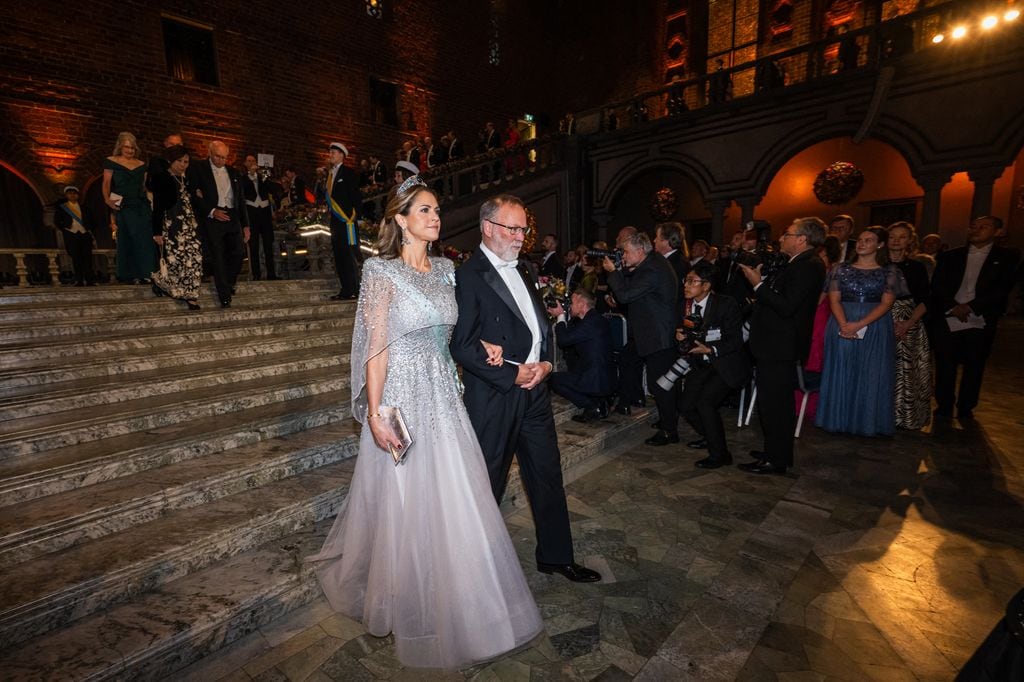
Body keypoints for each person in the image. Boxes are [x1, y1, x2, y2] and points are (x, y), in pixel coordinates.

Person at [309, 178, 543, 669]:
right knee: (405, 499)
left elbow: (457, 335)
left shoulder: (445, 269)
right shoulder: (380, 271)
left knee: (456, 492)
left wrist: (485, 348)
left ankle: (461, 594)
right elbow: (376, 349)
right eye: (424, 211)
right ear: (400, 219)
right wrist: (374, 413)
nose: (435, 218)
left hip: (443, 395)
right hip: (401, 397)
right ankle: (405, 598)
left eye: (437, 210)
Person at [450, 193, 601, 584]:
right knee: (487, 483)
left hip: (535, 392)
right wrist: (511, 375)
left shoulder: (527, 269)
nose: (520, 236)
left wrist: (548, 364)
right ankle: (472, 571)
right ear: (488, 227)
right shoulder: (469, 275)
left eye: (523, 229)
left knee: (547, 475)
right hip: (496, 396)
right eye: (512, 228)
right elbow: (462, 344)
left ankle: (556, 556)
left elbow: (543, 327)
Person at [737, 217, 826, 475]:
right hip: (774, 346)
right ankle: (774, 451)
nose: (782, 238)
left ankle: (776, 460)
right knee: (773, 403)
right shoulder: (796, 263)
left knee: (776, 405)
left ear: (802, 239)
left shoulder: (808, 265)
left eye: (787, 233)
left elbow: (787, 306)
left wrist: (758, 284)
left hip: (780, 347)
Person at [928, 216, 1021, 420]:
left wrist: (971, 307)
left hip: (980, 317)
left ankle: (966, 406)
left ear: (997, 232)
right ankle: (944, 404)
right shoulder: (950, 256)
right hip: (948, 315)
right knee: (945, 363)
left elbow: (1002, 288)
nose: (977, 230)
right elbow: (938, 285)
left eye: (984, 227)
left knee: (975, 364)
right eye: (973, 226)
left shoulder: (1007, 258)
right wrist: (953, 306)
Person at [816, 227, 902, 436]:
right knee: (841, 369)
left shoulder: (889, 271)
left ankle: (867, 423)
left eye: (868, 240)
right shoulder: (840, 269)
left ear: (880, 244)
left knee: (871, 371)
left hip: (874, 324)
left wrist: (859, 324)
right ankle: (837, 419)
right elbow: (833, 298)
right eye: (860, 240)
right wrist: (845, 323)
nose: (861, 243)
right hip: (841, 319)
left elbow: (886, 304)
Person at [603, 231, 680, 445]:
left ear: (639, 251)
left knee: (661, 384)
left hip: (658, 336)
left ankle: (669, 430)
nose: (623, 256)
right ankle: (664, 419)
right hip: (651, 334)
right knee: (632, 361)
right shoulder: (650, 263)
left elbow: (626, 295)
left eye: (626, 252)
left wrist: (612, 272)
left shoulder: (653, 269)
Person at [676, 261, 750, 468]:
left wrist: (710, 349)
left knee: (705, 403)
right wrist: (680, 337)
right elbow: (686, 332)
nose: (686, 285)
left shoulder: (725, 304)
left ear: (706, 286)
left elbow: (735, 340)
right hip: (702, 364)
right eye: (686, 280)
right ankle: (710, 435)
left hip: (726, 364)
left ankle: (720, 454)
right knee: (685, 405)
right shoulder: (685, 304)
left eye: (692, 281)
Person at [188, 141, 250, 308]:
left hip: (232, 215)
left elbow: (241, 200)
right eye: (218, 156)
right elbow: (194, 195)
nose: (221, 160)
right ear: (210, 153)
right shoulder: (198, 168)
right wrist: (212, 210)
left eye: (224, 157)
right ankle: (224, 295)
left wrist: (245, 225)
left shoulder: (233, 172)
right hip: (213, 216)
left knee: (238, 253)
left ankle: (229, 283)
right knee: (218, 256)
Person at [887, 221, 932, 429]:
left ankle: (902, 417)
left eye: (902, 236)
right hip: (878, 319)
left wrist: (909, 323)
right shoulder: (877, 264)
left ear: (910, 241)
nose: (896, 240)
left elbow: (925, 299)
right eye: (892, 236)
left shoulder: (916, 267)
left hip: (908, 319)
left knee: (905, 370)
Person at [547, 289, 615, 422]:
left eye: (571, 302)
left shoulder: (590, 323)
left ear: (582, 304)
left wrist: (560, 315)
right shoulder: (595, 319)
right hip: (604, 376)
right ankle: (600, 401)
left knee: (551, 379)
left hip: (597, 379)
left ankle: (593, 406)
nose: (569, 305)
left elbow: (563, 340)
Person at [151, 145, 202, 311]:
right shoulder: (163, 178)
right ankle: (167, 285)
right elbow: (158, 206)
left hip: (189, 224)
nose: (183, 165)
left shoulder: (186, 179)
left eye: (186, 162)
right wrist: (157, 232)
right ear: (171, 161)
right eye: (179, 161)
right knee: (177, 259)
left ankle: (192, 294)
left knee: (194, 257)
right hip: (172, 223)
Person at [102, 132, 154, 284]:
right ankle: (129, 274)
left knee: (144, 238)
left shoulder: (141, 164)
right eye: (126, 147)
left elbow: (144, 186)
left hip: (140, 204)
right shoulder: (111, 161)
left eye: (132, 148)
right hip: (123, 203)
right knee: (127, 237)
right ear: (120, 146)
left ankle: (146, 272)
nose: (130, 150)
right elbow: (106, 184)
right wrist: (107, 200)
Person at [322, 142, 362, 300]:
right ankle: (345, 289)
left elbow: (356, 196)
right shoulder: (330, 175)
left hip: (347, 221)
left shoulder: (348, 172)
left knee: (349, 255)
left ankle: (355, 289)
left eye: (333, 152)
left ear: (341, 155)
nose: (330, 155)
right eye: (330, 152)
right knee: (339, 255)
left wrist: (356, 217)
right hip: (336, 221)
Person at [242, 154, 278, 281]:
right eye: (249, 161)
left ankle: (271, 274)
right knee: (254, 245)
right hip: (252, 214)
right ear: (245, 164)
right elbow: (242, 192)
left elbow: (274, 190)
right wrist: (251, 176)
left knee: (268, 244)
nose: (252, 163)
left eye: (253, 161)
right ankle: (256, 274)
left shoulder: (263, 177)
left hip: (265, 215)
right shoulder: (242, 179)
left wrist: (264, 178)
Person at [53, 185, 95, 286]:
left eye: (74, 193)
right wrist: (66, 228)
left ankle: (89, 280)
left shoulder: (84, 208)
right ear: (66, 195)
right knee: (76, 258)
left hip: (84, 234)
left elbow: (92, 221)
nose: (72, 195)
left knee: (87, 258)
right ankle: (79, 280)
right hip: (71, 235)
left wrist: (88, 228)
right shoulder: (62, 208)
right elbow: (57, 221)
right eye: (70, 193)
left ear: (77, 195)